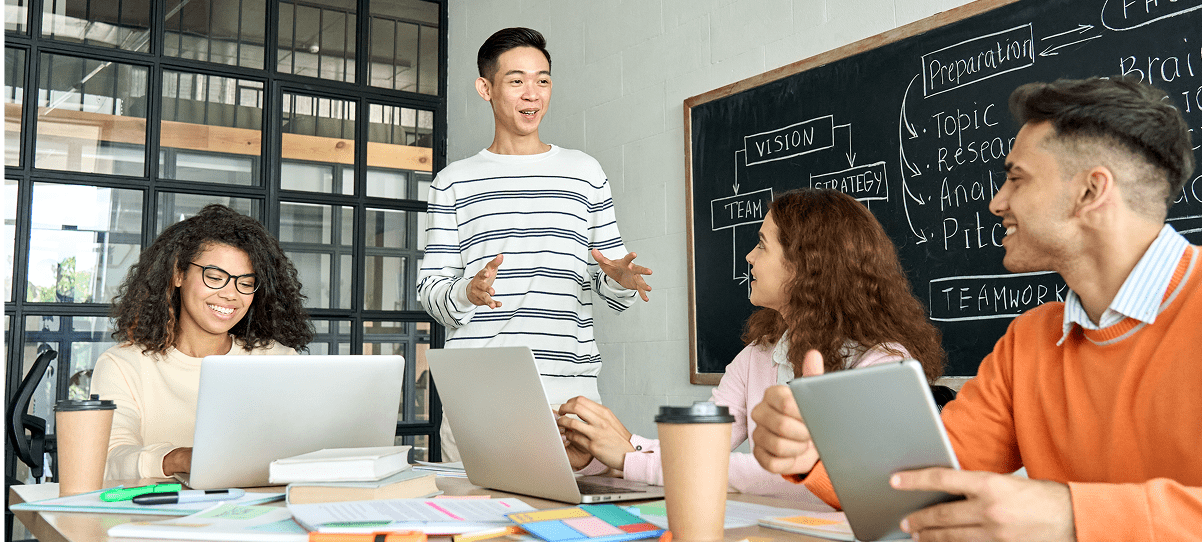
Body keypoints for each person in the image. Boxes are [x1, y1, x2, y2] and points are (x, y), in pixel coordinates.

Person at [751, 76, 1202, 541]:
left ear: (1090, 192)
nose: (996, 202)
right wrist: (813, 455)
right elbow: (923, 483)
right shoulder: (1030, 341)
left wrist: (1073, 515)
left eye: (1016, 178)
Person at [556, 188, 945, 505]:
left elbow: (801, 477)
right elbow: (700, 446)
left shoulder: (883, 364)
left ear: (805, 265)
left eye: (761, 245)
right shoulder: (757, 356)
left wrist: (628, 458)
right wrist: (598, 456)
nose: (748, 257)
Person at [417, 27, 653, 461]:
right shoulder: (452, 182)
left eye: (542, 80)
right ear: (485, 88)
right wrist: (467, 291)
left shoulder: (585, 172)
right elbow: (430, 293)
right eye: (517, 80)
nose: (532, 94)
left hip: (570, 392)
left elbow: (614, 293)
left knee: (571, 526)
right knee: (479, 523)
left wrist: (618, 278)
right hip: (482, 391)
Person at [91, 204, 314, 480]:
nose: (230, 294)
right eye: (215, 277)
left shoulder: (279, 361)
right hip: (154, 518)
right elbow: (109, 458)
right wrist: (181, 458)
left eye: (245, 283)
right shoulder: (123, 365)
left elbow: (305, 453)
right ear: (178, 274)